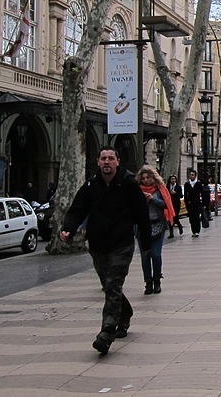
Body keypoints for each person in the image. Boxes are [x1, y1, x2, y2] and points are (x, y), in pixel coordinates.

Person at [59, 146, 151, 355]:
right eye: (103, 159)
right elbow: (77, 208)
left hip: (122, 244)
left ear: (118, 161)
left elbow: (141, 214)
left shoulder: (128, 183)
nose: (107, 162)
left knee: (113, 285)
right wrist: (67, 229)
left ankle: (106, 334)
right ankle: (125, 312)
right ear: (98, 162)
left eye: (111, 158)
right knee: (109, 286)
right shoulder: (92, 184)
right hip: (98, 245)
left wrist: (146, 244)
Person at [138, 166, 175, 294]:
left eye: (148, 177)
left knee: (156, 254)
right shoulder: (137, 190)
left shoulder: (159, 189)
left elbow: (166, 204)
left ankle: (157, 280)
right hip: (142, 227)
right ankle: (148, 282)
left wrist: (153, 199)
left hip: (158, 224)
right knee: (145, 256)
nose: (146, 180)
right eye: (143, 178)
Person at [183, 170, 205, 237]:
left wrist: (204, 204)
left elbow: (202, 194)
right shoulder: (187, 184)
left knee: (196, 217)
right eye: (190, 175)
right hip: (190, 204)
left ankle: (197, 231)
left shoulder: (198, 184)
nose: (191, 176)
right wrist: (186, 203)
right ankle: (193, 231)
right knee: (191, 218)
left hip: (197, 204)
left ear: (195, 176)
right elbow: (185, 194)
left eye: (193, 175)